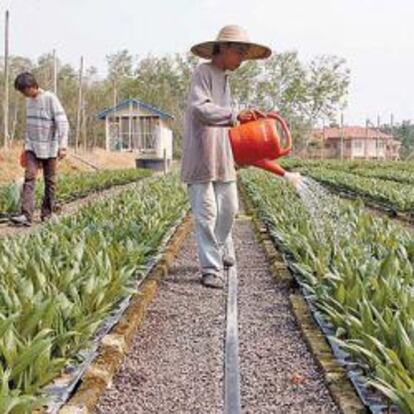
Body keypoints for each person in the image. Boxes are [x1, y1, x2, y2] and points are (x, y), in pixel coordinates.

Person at [181, 25, 300, 288]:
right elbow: (200, 109)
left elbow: (229, 118)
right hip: (201, 154)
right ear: (222, 48)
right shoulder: (203, 73)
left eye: (245, 54)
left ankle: (219, 247)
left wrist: (243, 121)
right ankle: (210, 268)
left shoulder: (225, 78)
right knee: (206, 214)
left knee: (229, 209)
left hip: (223, 155)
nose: (241, 59)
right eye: (239, 52)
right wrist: (235, 114)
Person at [11, 72, 69, 227]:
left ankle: (47, 213)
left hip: (50, 147)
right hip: (32, 147)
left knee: (50, 181)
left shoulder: (50, 98)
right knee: (29, 177)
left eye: (24, 91)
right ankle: (26, 215)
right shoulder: (29, 101)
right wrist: (25, 147)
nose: (24, 95)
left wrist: (62, 146)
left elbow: (62, 123)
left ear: (32, 86)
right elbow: (30, 126)